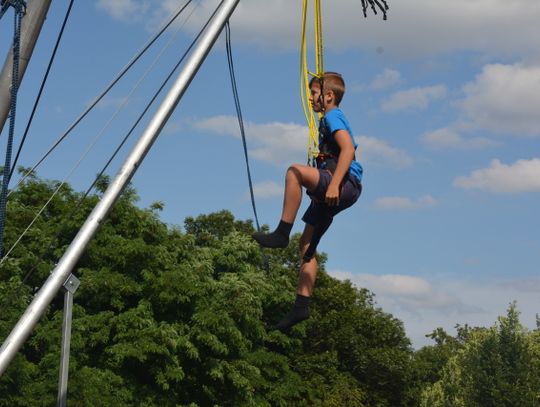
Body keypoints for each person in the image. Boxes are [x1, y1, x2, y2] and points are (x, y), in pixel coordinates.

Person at [252, 71, 363, 331]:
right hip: (336, 190)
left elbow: (348, 149)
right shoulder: (328, 119)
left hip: (342, 184)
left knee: (295, 172)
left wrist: (334, 183)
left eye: (314, 93)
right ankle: (301, 307)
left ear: (328, 96)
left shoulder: (333, 115)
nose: (310, 98)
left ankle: (282, 233)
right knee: (306, 247)